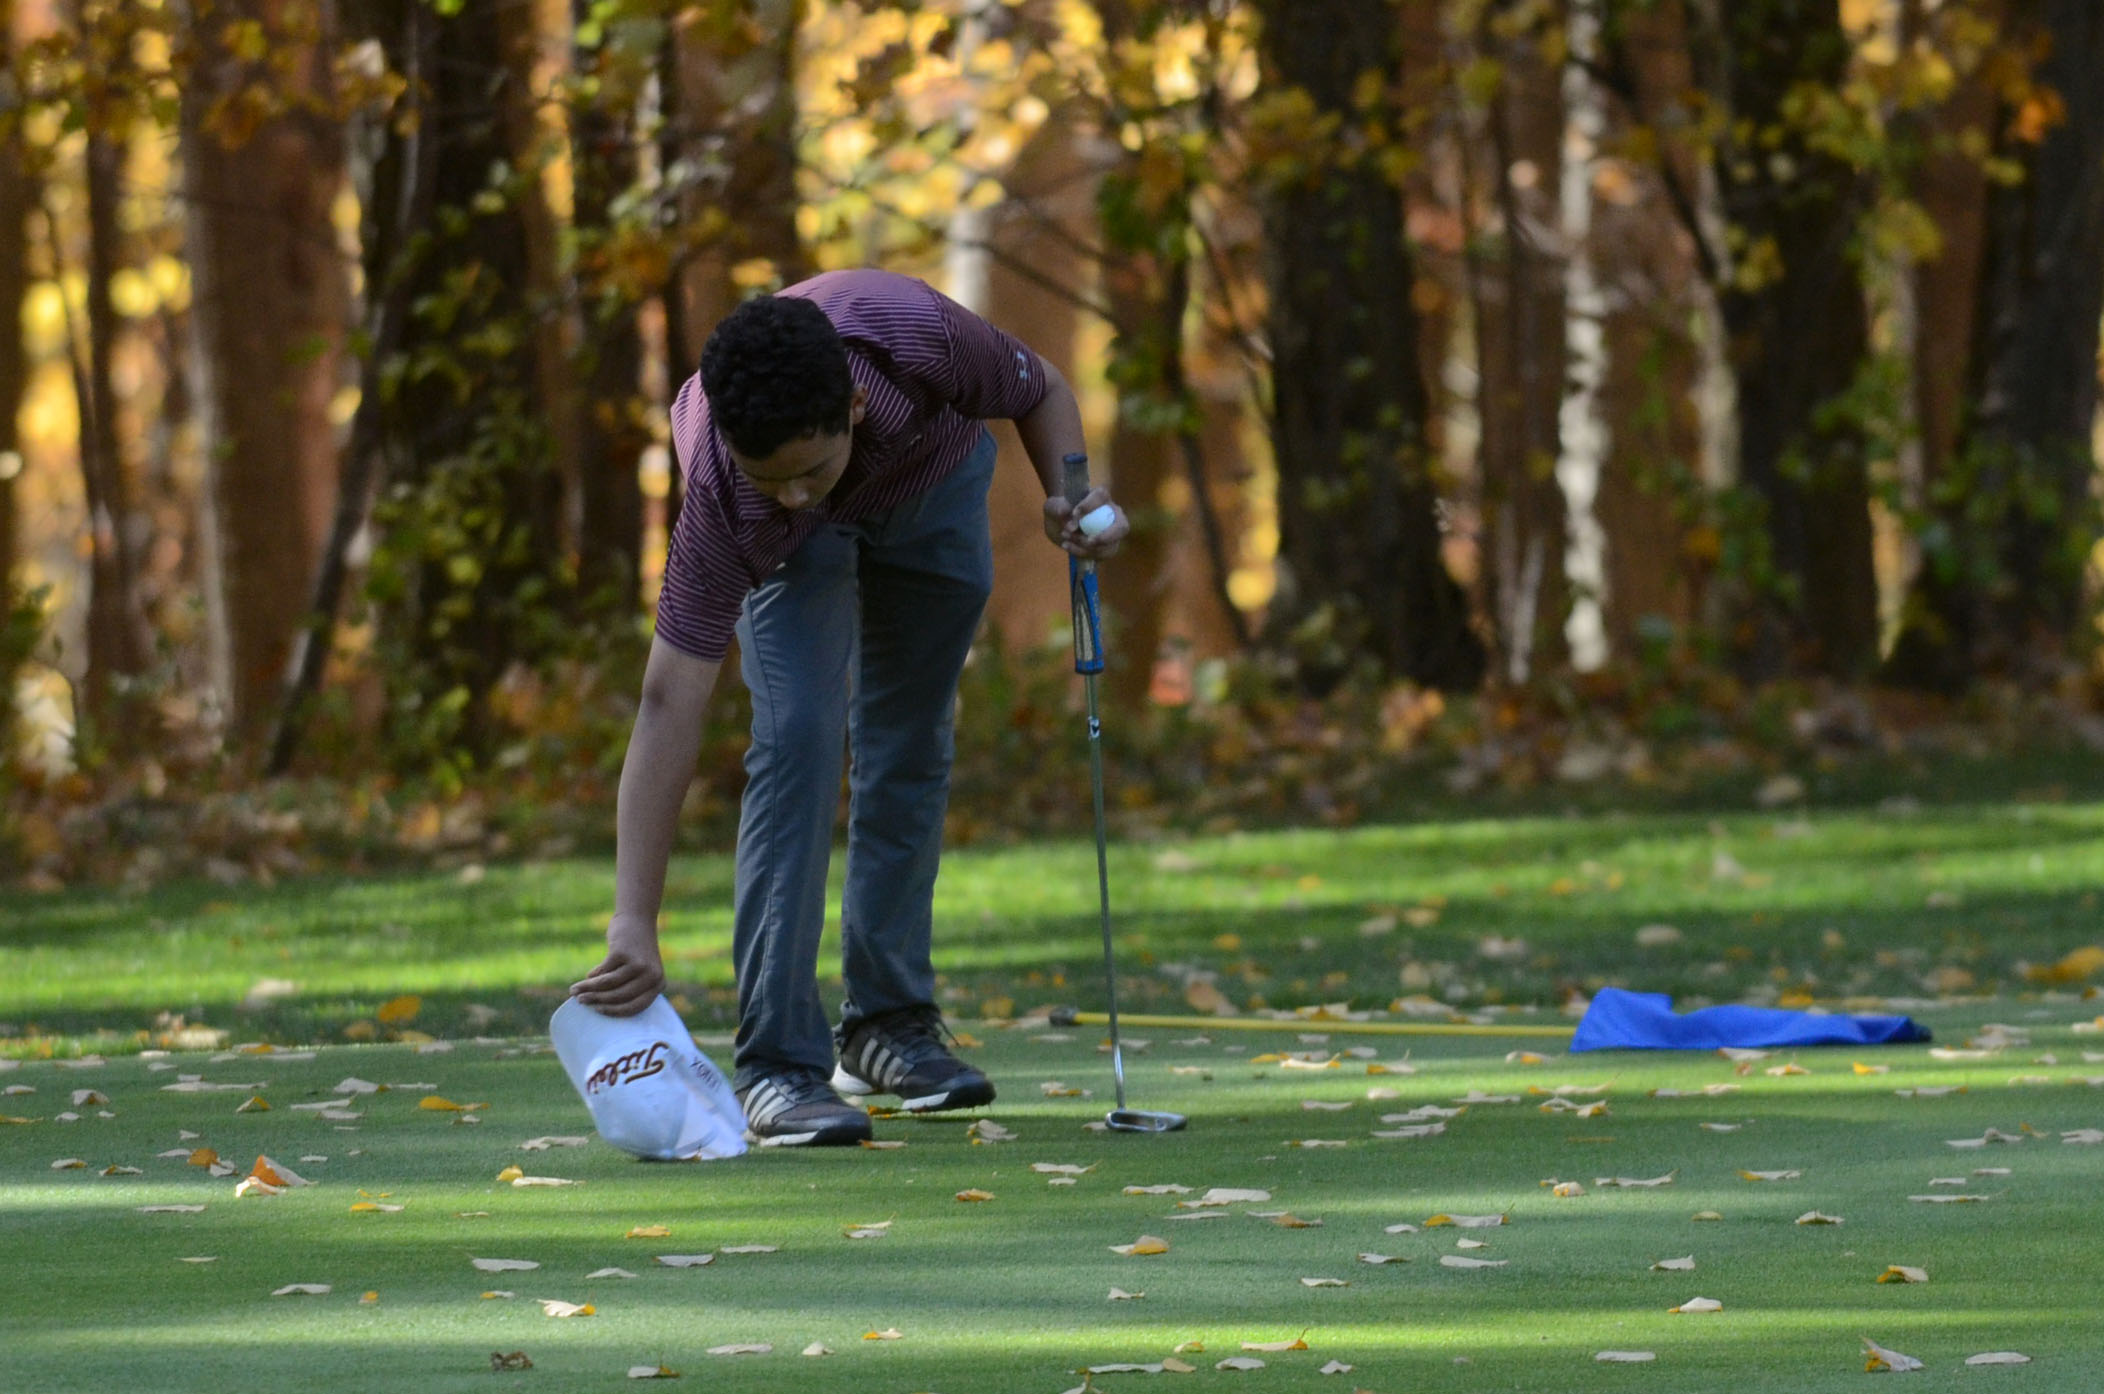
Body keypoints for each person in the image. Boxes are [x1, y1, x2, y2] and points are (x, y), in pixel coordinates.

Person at [569, 269, 1127, 1146]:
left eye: (808, 470)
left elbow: (1041, 385)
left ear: (853, 413)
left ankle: (886, 1027)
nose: (792, 491)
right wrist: (633, 917)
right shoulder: (731, 495)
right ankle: (779, 1067)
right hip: (789, 558)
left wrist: (1073, 492)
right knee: (797, 742)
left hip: (931, 487)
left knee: (911, 742)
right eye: (771, 477)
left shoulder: (914, 336)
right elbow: (669, 696)